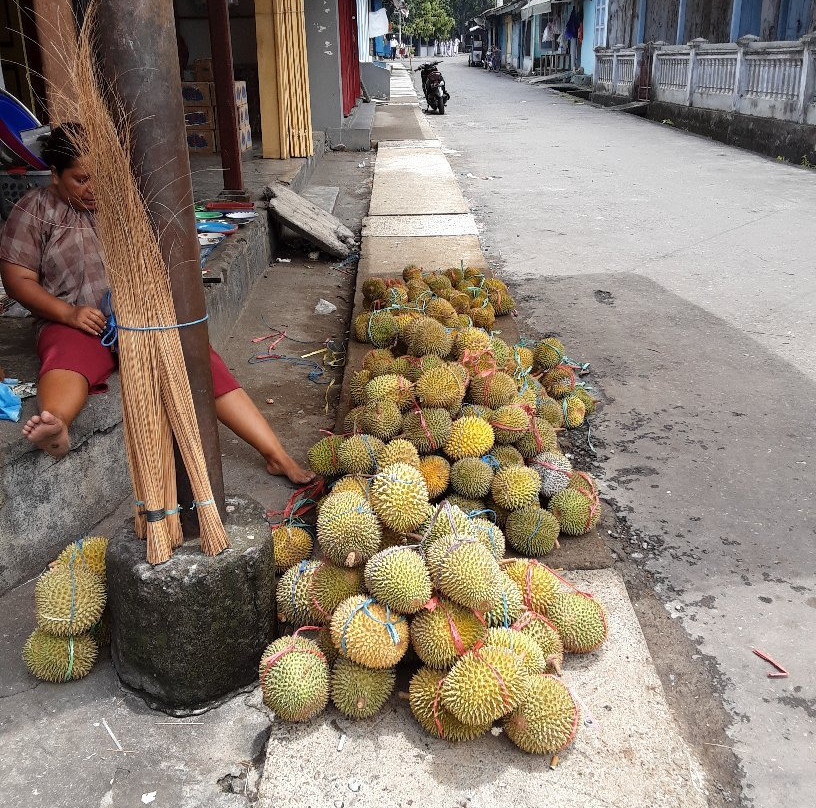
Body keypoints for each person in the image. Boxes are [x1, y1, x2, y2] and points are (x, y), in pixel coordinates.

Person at [0, 124, 314, 485]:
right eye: (81, 179)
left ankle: (276, 455)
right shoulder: (35, 210)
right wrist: (68, 313)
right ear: (55, 175)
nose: (94, 188)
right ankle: (56, 425)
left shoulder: (125, 204)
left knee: (198, 359)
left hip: (139, 316)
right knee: (66, 357)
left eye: (101, 177)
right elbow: (18, 281)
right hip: (72, 320)